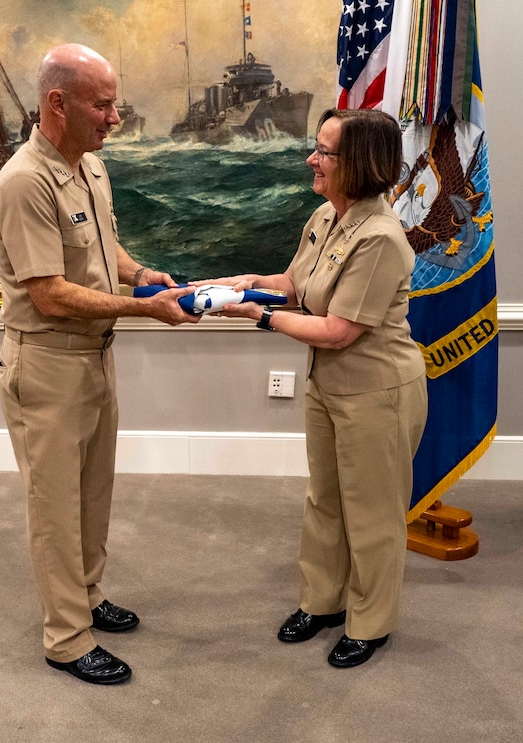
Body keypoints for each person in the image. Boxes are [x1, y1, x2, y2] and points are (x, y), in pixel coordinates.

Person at [0, 43, 199, 686]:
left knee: (92, 495)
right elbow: (48, 293)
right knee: (54, 508)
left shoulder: (89, 169)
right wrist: (145, 307)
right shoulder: (24, 181)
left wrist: (140, 275)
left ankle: (85, 593)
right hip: (47, 365)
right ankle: (66, 638)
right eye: (102, 104)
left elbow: (103, 249)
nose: (115, 117)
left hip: (94, 359)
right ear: (58, 104)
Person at [201, 108, 428, 668]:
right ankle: (322, 602)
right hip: (329, 387)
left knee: (371, 511)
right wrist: (250, 284)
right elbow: (296, 285)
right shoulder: (326, 217)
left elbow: (337, 330)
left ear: (358, 164)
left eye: (324, 152)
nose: (312, 159)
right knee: (324, 500)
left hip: (378, 392)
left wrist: (258, 317)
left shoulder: (380, 238)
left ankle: (370, 622)